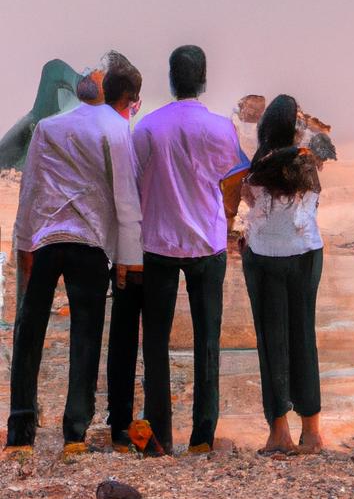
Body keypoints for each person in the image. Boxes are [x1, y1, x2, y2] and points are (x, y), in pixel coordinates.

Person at [5, 58, 144, 456]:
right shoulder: (115, 129)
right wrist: (125, 258)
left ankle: (20, 432)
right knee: (85, 334)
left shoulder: (48, 128)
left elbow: (30, 190)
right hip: (90, 245)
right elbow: (125, 200)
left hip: (46, 242)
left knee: (29, 332)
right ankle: (75, 433)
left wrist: (24, 244)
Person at [134, 45, 241, 455]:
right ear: (204, 79)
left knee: (156, 343)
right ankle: (202, 438)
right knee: (207, 341)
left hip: (158, 242)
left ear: (171, 79)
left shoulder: (147, 129)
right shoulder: (220, 129)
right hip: (207, 244)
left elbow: (135, 181)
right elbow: (230, 180)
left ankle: (159, 437)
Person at [240, 95, 325, 455]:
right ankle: (312, 432)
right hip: (307, 254)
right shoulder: (307, 164)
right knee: (303, 336)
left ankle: (279, 434)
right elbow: (314, 204)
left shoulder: (259, 167)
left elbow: (249, 202)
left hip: (265, 257)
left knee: (271, 341)